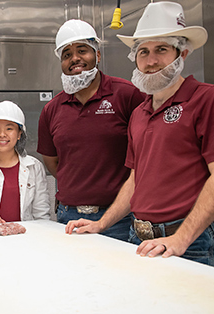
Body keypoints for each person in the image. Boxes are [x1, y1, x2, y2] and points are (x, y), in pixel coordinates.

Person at [66, 1, 214, 268]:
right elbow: (136, 178)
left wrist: (181, 239)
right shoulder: (139, 113)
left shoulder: (210, 99)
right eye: (143, 51)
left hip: (189, 244)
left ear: (182, 53)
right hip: (136, 239)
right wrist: (101, 224)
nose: (150, 61)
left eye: (161, 49)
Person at [37, 19, 145, 241]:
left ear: (97, 55)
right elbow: (53, 162)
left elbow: (146, 154)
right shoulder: (51, 109)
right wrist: (82, 182)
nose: (74, 58)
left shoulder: (127, 95)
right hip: (69, 217)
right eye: (66, 54)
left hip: (120, 218)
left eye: (82, 50)